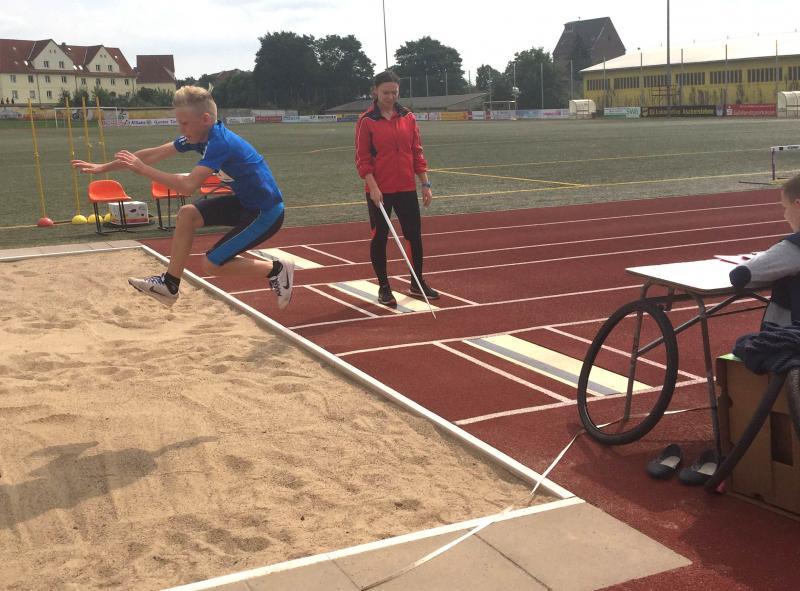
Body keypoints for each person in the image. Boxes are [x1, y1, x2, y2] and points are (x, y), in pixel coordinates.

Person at [72, 86, 294, 309]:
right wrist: (104, 167)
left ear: (205, 119)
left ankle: (276, 269)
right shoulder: (198, 137)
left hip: (266, 212)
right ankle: (170, 284)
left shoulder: (220, 143)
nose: (181, 128)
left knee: (211, 264)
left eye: (185, 123)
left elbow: (188, 186)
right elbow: (154, 153)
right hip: (245, 203)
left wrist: (143, 170)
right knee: (187, 214)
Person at [355, 69, 439, 308]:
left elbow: (417, 152)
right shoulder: (367, 120)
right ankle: (384, 287)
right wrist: (373, 187)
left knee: (414, 236)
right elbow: (362, 159)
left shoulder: (408, 117)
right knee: (379, 237)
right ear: (375, 91)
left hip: (406, 187)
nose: (390, 97)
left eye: (394, 92)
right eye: (386, 92)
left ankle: (417, 282)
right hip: (379, 190)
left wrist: (425, 183)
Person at [729, 172, 800, 328]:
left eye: (785, 207)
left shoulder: (793, 249)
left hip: (791, 335)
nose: (785, 215)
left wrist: (767, 259)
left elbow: (740, 276)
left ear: (798, 204)